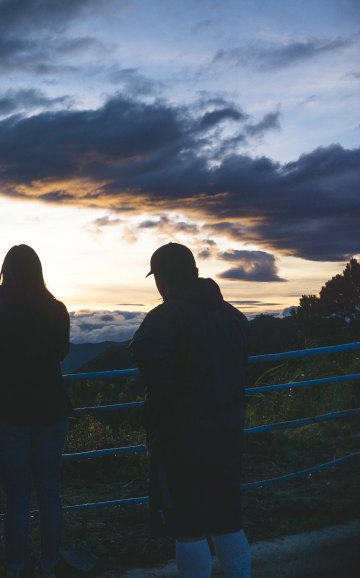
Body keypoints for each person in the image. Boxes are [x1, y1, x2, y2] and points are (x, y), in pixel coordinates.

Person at [129, 243, 251, 578]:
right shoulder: (233, 316)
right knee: (227, 521)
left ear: (163, 279)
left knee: (188, 527)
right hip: (227, 432)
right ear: (194, 272)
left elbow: (149, 365)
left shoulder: (163, 318)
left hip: (179, 439)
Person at [0, 245, 72, 578]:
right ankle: (48, 566)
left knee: (16, 495)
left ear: (8, 272)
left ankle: (14, 568)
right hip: (53, 411)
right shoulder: (57, 310)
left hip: (12, 413)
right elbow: (60, 353)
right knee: (49, 491)